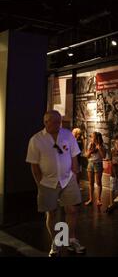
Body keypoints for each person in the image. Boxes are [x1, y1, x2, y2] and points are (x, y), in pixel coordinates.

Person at [26, 110, 86, 257]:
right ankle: (57, 242)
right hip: (47, 182)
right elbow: (34, 165)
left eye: (59, 121)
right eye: (54, 122)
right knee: (51, 213)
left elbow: (74, 156)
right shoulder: (36, 140)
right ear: (46, 122)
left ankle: (71, 238)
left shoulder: (67, 135)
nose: (58, 124)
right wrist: (40, 183)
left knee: (72, 210)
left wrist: (75, 174)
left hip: (68, 179)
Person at [85, 132, 106, 207]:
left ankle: (98, 200)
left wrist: (99, 148)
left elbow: (103, 156)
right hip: (90, 164)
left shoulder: (102, 146)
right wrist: (90, 151)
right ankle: (91, 199)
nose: (91, 138)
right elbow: (87, 156)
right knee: (90, 183)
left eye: (92, 137)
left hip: (98, 164)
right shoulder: (90, 145)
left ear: (97, 138)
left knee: (98, 182)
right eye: (91, 137)